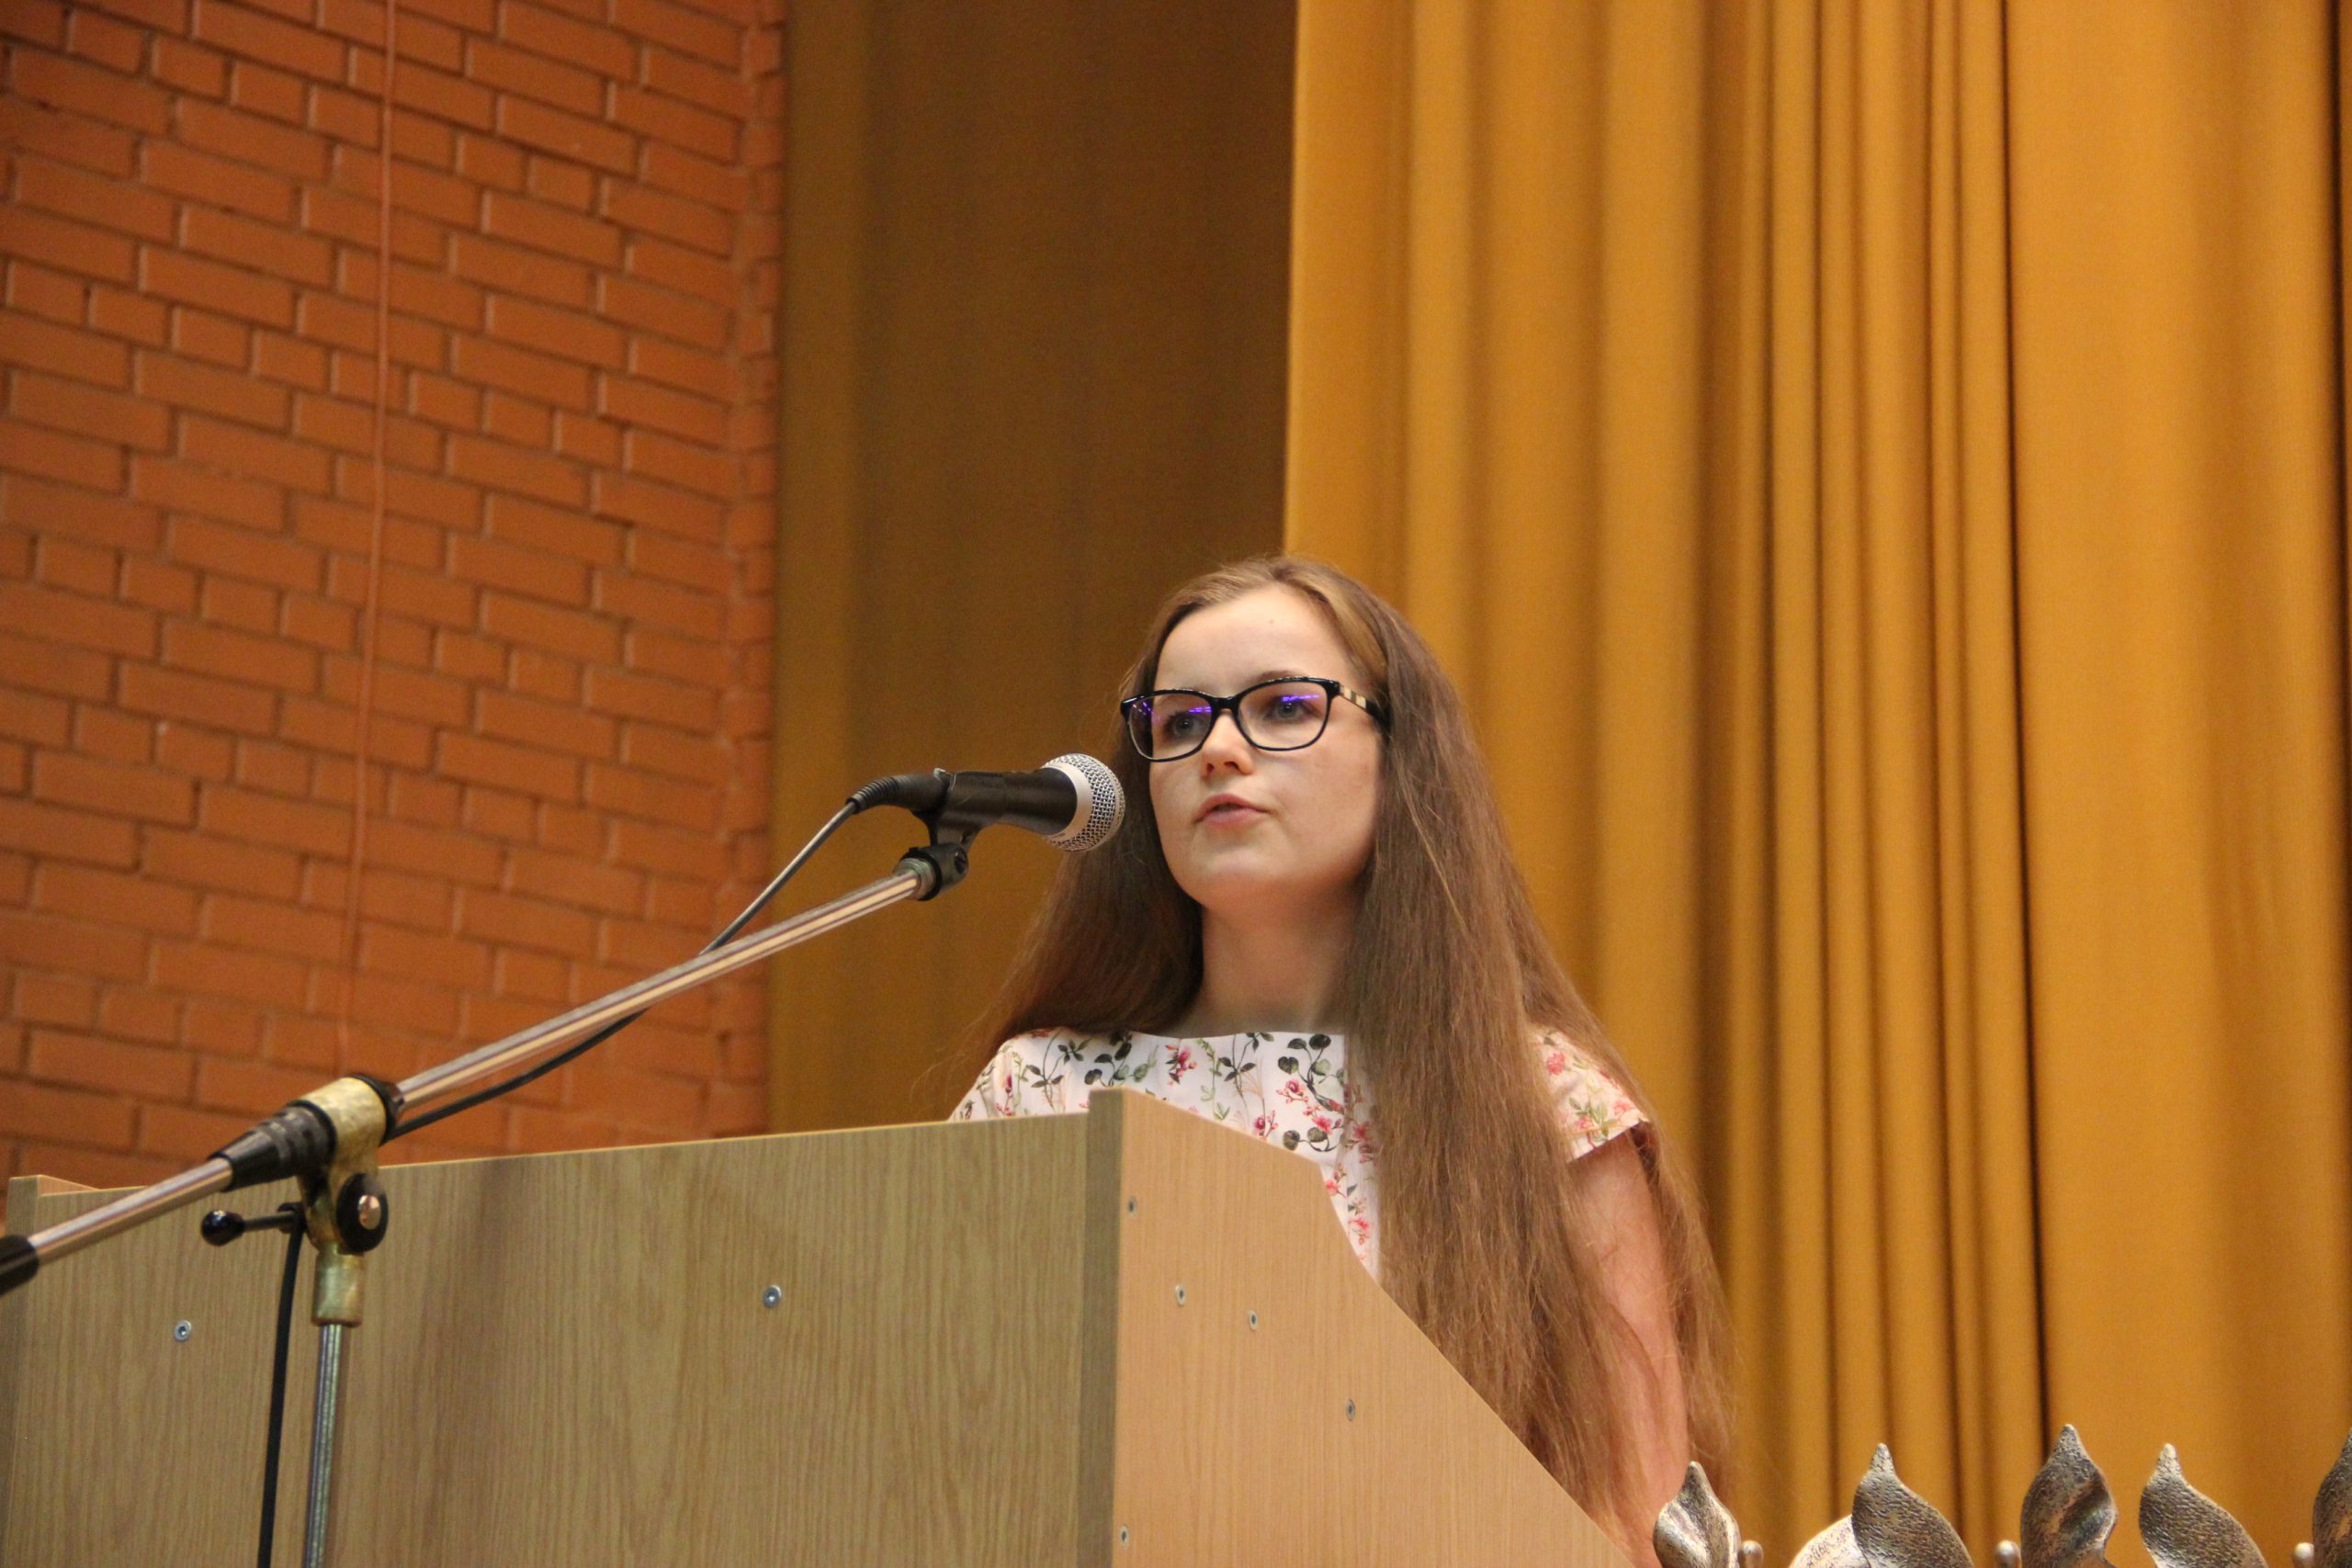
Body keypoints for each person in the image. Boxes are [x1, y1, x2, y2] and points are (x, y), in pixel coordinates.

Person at [951, 555, 1730, 1553]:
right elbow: (950, 1453)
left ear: (1401, 757)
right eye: (1178, 724)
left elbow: (1642, 1524)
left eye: (1282, 707)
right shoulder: (1042, 1094)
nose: (1217, 750)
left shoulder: (1543, 1107)